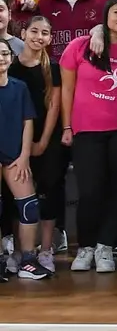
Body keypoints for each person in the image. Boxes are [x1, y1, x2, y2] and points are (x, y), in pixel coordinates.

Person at [60, 0, 117, 273]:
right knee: (91, 191)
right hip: (87, 130)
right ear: (106, 15)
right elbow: (66, 89)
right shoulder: (80, 46)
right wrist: (67, 126)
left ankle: (106, 247)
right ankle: (86, 246)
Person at [13, 14, 61, 277]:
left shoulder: (52, 68)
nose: (38, 37)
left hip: (47, 138)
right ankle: (20, 251)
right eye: (34, 31)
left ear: (50, 38)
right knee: (18, 195)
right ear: (23, 34)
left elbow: (54, 105)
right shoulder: (10, 68)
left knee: (49, 190)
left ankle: (45, 249)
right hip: (16, 139)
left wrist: (42, 141)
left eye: (44, 33)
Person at [0, 41, 38, 283]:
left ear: (11, 57)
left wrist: (24, 155)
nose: (1, 58)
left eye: (4, 53)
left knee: (29, 207)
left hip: (15, 155)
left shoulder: (19, 87)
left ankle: (27, 260)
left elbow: (28, 121)